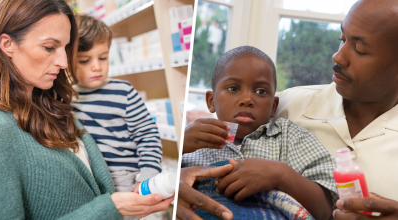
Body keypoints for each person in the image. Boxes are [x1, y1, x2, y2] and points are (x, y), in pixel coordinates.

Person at [177, 0, 398, 219]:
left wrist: (282, 175)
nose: (337, 56)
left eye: (359, 49)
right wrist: (173, 185)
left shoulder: (289, 135)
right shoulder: (290, 103)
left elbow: (325, 206)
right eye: (342, 39)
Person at [0, 0, 172, 219]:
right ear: (7, 44)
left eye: (66, 48)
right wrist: (109, 209)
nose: (63, 62)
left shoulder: (53, 103)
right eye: (50, 47)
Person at [181, 46, 336, 220]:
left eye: (261, 91)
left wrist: (281, 175)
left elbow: (325, 210)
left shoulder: (291, 137)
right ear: (211, 101)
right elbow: (161, 186)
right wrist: (182, 146)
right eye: (233, 88)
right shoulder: (191, 139)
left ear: (273, 107)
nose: (247, 100)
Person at [71, 15, 162, 195]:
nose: (96, 66)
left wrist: (147, 176)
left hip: (124, 178)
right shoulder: (68, 98)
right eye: (84, 60)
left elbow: (147, 134)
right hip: (89, 179)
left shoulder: (123, 91)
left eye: (103, 58)